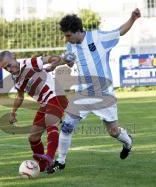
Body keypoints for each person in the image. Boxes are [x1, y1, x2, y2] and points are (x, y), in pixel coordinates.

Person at [49, 8, 141, 173]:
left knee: (113, 132)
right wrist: (58, 63)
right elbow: (69, 60)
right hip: (83, 94)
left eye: (68, 35)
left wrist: (132, 19)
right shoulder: (71, 45)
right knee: (67, 126)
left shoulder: (98, 37)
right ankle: (60, 162)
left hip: (104, 94)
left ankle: (128, 142)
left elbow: (119, 31)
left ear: (78, 31)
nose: (66, 38)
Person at [0, 51, 71, 172]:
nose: (9, 69)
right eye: (5, 68)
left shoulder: (30, 63)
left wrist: (53, 65)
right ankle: (42, 165)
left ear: (14, 58)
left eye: (9, 65)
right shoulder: (15, 79)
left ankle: (49, 157)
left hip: (56, 96)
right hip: (44, 103)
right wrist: (13, 113)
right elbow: (20, 96)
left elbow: (53, 58)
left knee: (50, 123)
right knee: (33, 137)